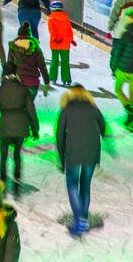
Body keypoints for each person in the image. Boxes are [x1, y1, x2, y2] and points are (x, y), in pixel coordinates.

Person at [56, 85, 108, 236]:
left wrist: (61, 158)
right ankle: (83, 218)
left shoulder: (66, 110)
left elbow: (59, 136)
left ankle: (80, 220)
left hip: (73, 154)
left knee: (72, 185)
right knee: (85, 185)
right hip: (91, 154)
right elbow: (103, 128)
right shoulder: (93, 108)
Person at [0, 63, 40, 195]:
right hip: (21, 126)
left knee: (4, 155)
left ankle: (3, 178)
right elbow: (31, 111)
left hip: (5, 126)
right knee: (17, 154)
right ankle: (17, 178)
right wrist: (35, 129)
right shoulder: (23, 90)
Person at [7, 22, 50, 99]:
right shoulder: (36, 49)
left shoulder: (13, 47)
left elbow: (9, 66)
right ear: (29, 35)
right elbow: (42, 67)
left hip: (18, 82)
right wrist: (46, 84)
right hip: (32, 83)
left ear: (19, 35)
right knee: (28, 106)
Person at [111, 9, 133, 127]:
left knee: (118, 89)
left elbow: (117, 52)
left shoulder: (126, 34)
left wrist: (113, 67)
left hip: (123, 69)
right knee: (132, 94)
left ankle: (130, 112)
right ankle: (132, 118)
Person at [47, 1, 76, 86]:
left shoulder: (51, 18)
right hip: (65, 43)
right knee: (65, 62)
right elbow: (69, 30)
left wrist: (55, 38)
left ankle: (52, 78)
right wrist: (71, 40)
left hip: (55, 43)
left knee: (54, 61)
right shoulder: (66, 18)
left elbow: (51, 31)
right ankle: (66, 79)